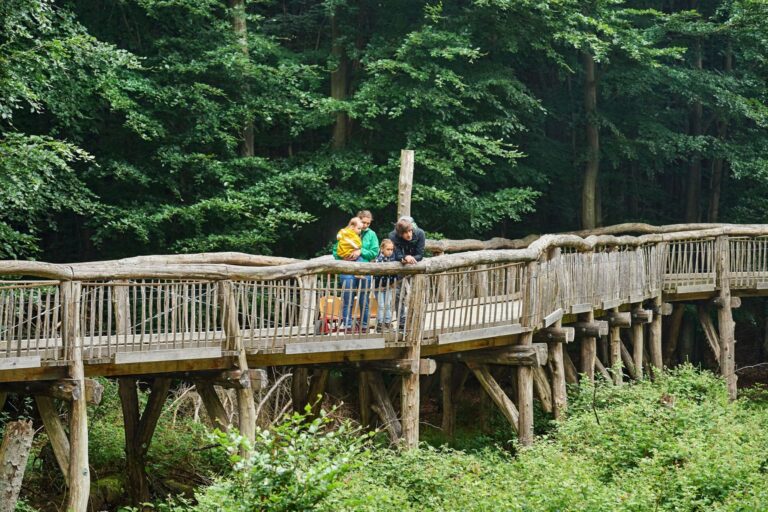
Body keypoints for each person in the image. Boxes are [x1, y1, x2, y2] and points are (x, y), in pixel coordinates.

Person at [333, 211, 380, 332]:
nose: (365, 225)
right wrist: (342, 257)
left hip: (364, 268)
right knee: (347, 297)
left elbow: (374, 252)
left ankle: (364, 326)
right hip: (347, 267)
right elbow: (335, 250)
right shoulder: (346, 232)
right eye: (363, 222)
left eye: (368, 223)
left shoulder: (371, 234)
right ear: (357, 221)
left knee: (364, 299)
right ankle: (347, 325)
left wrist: (361, 252)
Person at [388, 217, 426, 332]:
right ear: (400, 233)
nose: (408, 235)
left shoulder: (420, 233)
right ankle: (401, 322)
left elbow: (420, 254)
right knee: (399, 294)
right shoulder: (393, 236)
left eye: (409, 231)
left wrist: (411, 258)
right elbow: (397, 254)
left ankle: (417, 320)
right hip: (401, 266)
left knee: (418, 293)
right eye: (405, 233)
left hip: (416, 266)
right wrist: (404, 257)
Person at [373, 239, 397, 331]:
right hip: (378, 287)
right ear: (382, 249)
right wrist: (378, 286)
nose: (390, 251)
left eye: (391, 249)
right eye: (388, 249)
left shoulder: (393, 260)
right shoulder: (378, 260)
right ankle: (380, 324)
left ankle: (388, 323)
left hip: (389, 287)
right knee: (381, 305)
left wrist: (393, 282)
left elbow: (394, 272)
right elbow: (376, 274)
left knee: (388, 304)